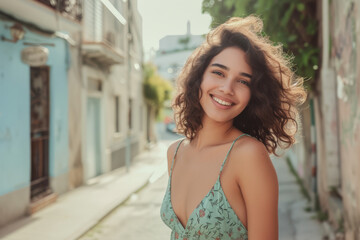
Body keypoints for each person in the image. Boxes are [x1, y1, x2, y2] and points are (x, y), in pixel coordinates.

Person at [160, 15, 307, 240]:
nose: (227, 88)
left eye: (243, 81)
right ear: (199, 77)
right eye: (219, 72)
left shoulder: (248, 155)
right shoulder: (175, 154)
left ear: (253, 94)